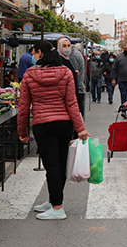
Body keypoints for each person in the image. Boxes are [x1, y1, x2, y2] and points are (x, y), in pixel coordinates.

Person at [18, 40, 89, 220]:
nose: (33, 56)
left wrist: (22, 132)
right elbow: (72, 102)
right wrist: (80, 128)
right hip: (64, 124)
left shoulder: (29, 74)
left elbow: (24, 106)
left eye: (34, 52)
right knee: (60, 162)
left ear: (40, 54)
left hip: (43, 125)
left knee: (51, 166)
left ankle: (57, 207)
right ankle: (52, 200)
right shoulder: (66, 72)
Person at [58, 36, 86, 117]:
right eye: (64, 46)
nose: (67, 48)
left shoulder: (72, 56)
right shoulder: (63, 59)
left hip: (74, 93)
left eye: (68, 45)